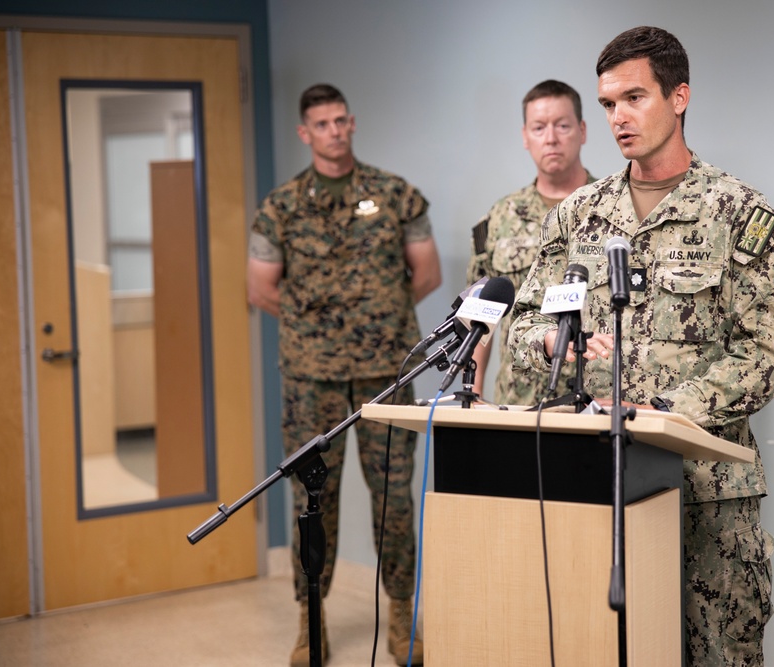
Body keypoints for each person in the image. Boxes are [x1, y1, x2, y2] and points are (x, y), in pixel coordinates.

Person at [509, 27, 774, 666]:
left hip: (707, 494)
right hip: (603, 479)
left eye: (634, 98)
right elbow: (524, 325)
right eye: (609, 103)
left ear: (680, 97)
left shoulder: (738, 215)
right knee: (610, 651)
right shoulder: (580, 215)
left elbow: (768, 353)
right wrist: (558, 342)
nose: (618, 118)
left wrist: (669, 410)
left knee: (718, 656)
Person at [247, 83, 440, 667]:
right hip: (311, 379)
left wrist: (373, 321)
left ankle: (403, 621)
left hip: (388, 376)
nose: (333, 131)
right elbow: (260, 287)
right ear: (305, 134)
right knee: (313, 503)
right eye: (321, 124)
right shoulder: (279, 207)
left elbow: (425, 275)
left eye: (340, 121)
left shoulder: (397, 194)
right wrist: (320, 326)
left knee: (394, 504)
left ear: (352, 123)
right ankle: (312, 625)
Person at [466, 80, 594, 405]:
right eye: (539, 127)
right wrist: (473, 392)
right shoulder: (500, 217)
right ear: (525, 136)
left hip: (593, 396)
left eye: (562, 126)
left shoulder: (611, 208)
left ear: (582, 130)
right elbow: (481, 317)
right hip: (517, 398)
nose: (550, 138)